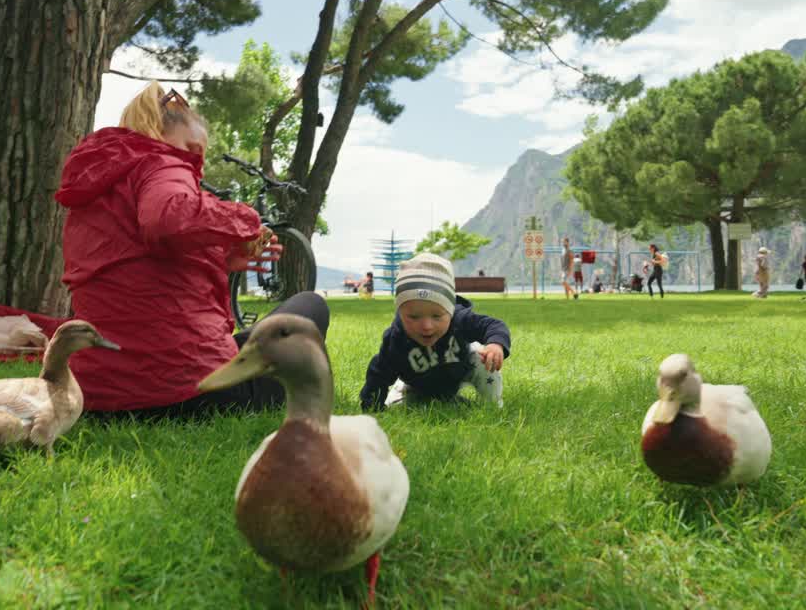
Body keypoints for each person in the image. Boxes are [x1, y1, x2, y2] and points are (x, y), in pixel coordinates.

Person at [55, 82, 330, 418]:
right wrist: (246, 219)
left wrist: (223, 260)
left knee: (252, 338)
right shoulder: (162, 164)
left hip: (98, 397)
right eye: (193, 148)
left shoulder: (101, 188)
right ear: (158, 132)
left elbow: (137, 266)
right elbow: (166, 218)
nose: (196, 163)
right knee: (309, 307)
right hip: (187, 394)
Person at [359, 253, 511, 410]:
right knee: (401, 408)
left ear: (450, 310)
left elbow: (493, 325)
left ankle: (492, 406)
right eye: (413, 316)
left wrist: (495, 344)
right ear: (400, 311)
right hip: (416, 383)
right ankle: (447, 401)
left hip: (463, 367)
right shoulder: (395, 339)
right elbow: (379, 374)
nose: (426, 326)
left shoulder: (459, 318)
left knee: (481, 358)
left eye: (437, 316)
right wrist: (372, 407)